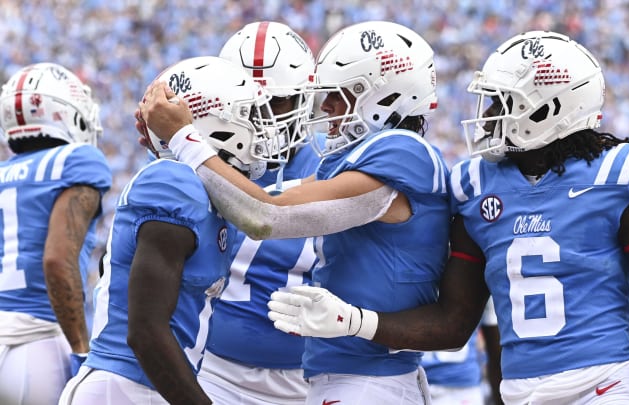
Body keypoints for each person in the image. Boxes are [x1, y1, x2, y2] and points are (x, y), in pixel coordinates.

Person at [266, 31, 629, 404]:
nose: (488, 115)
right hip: (520, 391)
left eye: (502, 103)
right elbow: (453, 325)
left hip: (606, 385)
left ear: (549, 110)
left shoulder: (619, 176)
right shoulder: (476, 186)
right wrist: (353, 321)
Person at [141, 20, 449, 405]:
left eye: (338, 95)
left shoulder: (393, 152)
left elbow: (266, 214)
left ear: (383, 99)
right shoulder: (344, 160)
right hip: (234, 371)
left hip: (353, 379)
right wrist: (174, 155)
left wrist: (185, 142)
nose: (328, 107)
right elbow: (264, 200)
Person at [58, 56, 280, 405]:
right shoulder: (175, 182)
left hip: (151, 387)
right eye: (248, 117)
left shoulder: (201, 192)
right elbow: (145, 332)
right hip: (123, 388)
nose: (260, 129)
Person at [196, 21, 321, 405]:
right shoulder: (197, 164)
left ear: (305, 100)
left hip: (309, 379)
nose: (263, 118)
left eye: (276, 102)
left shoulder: (333, 167)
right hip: (211, 371)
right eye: (250, 105)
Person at [0, 62, 112, 405]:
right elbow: (56, 259)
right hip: (35, 344)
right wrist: (80, 346)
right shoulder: (79, 160)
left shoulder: (4, 171)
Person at [422, 298, 502, 405]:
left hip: (460, 386)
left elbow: (495, 351)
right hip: (413, 381)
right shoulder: (479, 282)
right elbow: (495, 352)